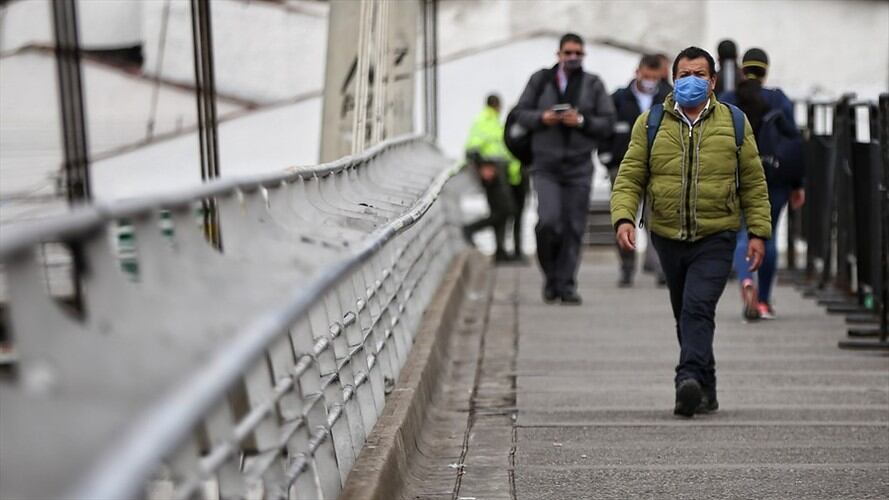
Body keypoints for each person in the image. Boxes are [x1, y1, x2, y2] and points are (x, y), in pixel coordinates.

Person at [610, 46, 772, 417]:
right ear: (674, 79)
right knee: (686, 311)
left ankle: (686, 379)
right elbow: (630, 175)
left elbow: (753, 181)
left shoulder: (734, 122)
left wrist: (759, 232)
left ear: (713, 81)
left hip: (717, 234)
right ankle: (706, 386)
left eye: (700, 75)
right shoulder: (650, 123)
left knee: (698, 307)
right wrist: (623, 218)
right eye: (684, 75)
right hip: (667, 235)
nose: (691, 82)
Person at [513, 33, 615, 304]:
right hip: (545, 164)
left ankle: (567, 283)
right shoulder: (540, 80)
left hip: (579, 165)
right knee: (548, 221)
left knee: (573, 226)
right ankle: (551, 276)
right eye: (568, 52)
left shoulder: (593, 84)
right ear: (558, 54)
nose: (573, 58)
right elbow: (519, 112)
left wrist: (580, 120)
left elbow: (607, 122)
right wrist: (543, 117)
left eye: (578, 53)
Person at [722, 48, 806, 320]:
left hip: (735, 177)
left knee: (742, 233)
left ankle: (746, 280)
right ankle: (764, 301)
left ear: (742, 70)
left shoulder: (728, 99)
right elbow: (794, 142)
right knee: (767, 237)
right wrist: (798, 184)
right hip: (774, 178)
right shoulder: (778, 100)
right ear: (765, 70)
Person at [599, 54, 670, 287]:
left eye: (654, 77)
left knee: (657, 219)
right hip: (623, 165)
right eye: (646, 76)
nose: (650, 81)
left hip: (658, 168)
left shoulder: (668, 97)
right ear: (637, 72)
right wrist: (607, 158)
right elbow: (605, 128)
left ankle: (660, 267)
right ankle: (627, 266)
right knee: (624, 217)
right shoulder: (619, 98)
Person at [462, 94, 522, 263]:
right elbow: (472, 149)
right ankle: (471, 228)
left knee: (500, 211)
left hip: (499, 170)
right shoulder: (484, 120)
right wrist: (483, 167)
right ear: (497, 106)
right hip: (491, 171)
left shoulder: (494, 120)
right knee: (506, 209)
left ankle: (500, 252)